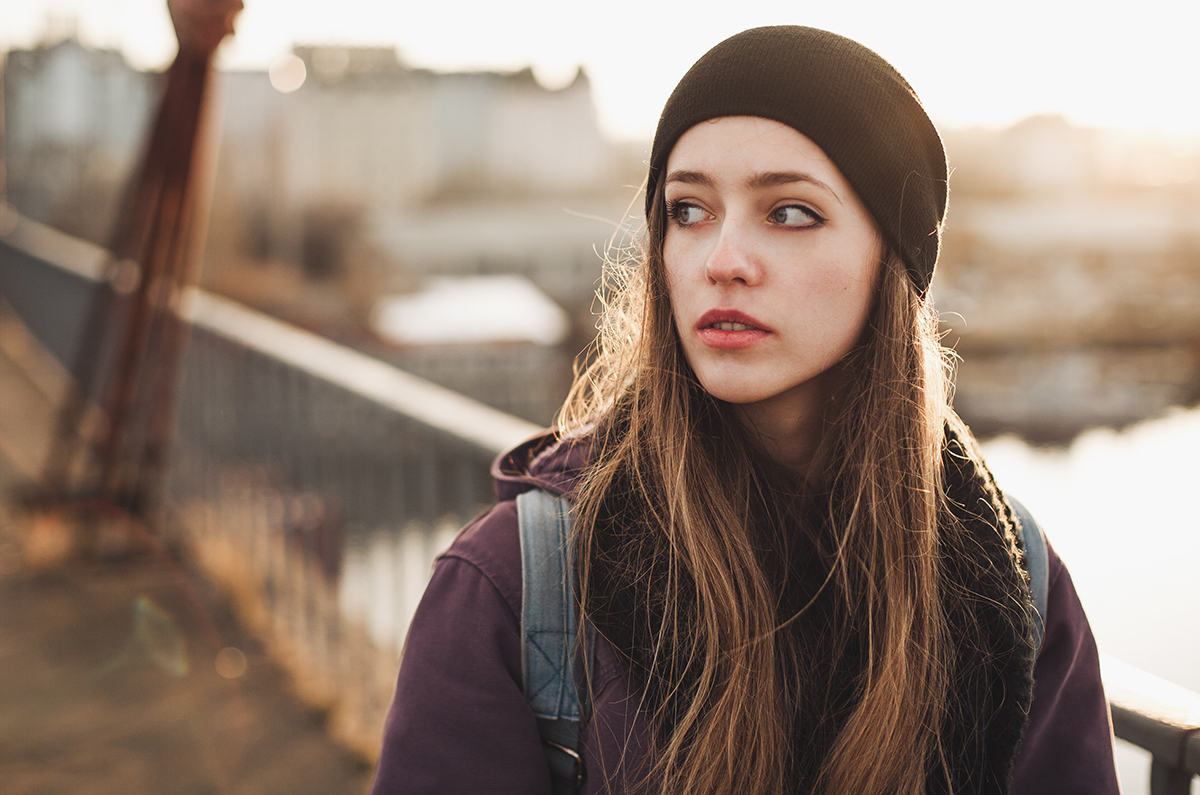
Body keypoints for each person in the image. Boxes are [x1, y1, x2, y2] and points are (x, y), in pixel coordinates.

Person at [370, 26, 1119, 795]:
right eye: (688, 210)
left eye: (790, 212)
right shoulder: (516, 587)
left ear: (892, 258)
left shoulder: (1008, 574)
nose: (720, 258)